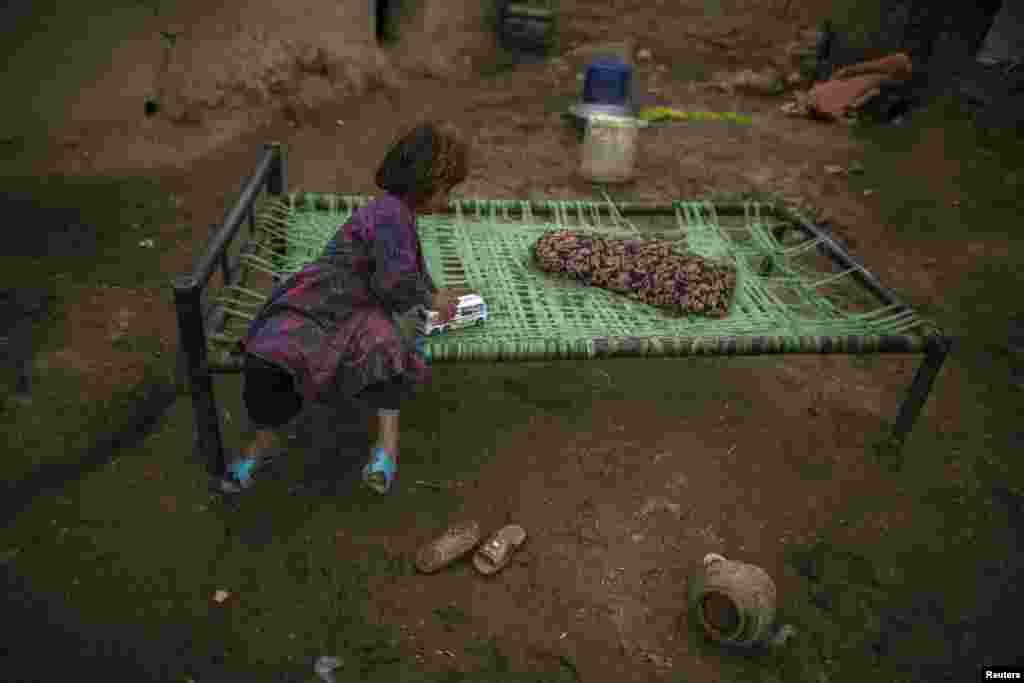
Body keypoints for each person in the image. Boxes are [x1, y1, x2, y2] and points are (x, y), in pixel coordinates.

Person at [221, 121, 470, 495]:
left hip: (359, 305)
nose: (447, 200)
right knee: (281, 351)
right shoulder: (390, 215)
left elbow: (405, 270)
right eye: (446, 190)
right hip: (327, 299)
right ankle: (263, 446)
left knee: (384, 345)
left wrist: (430, 295)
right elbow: (395, 281)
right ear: (426, 182)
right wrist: (432, 300)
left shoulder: (397, 214)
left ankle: (386, 445)